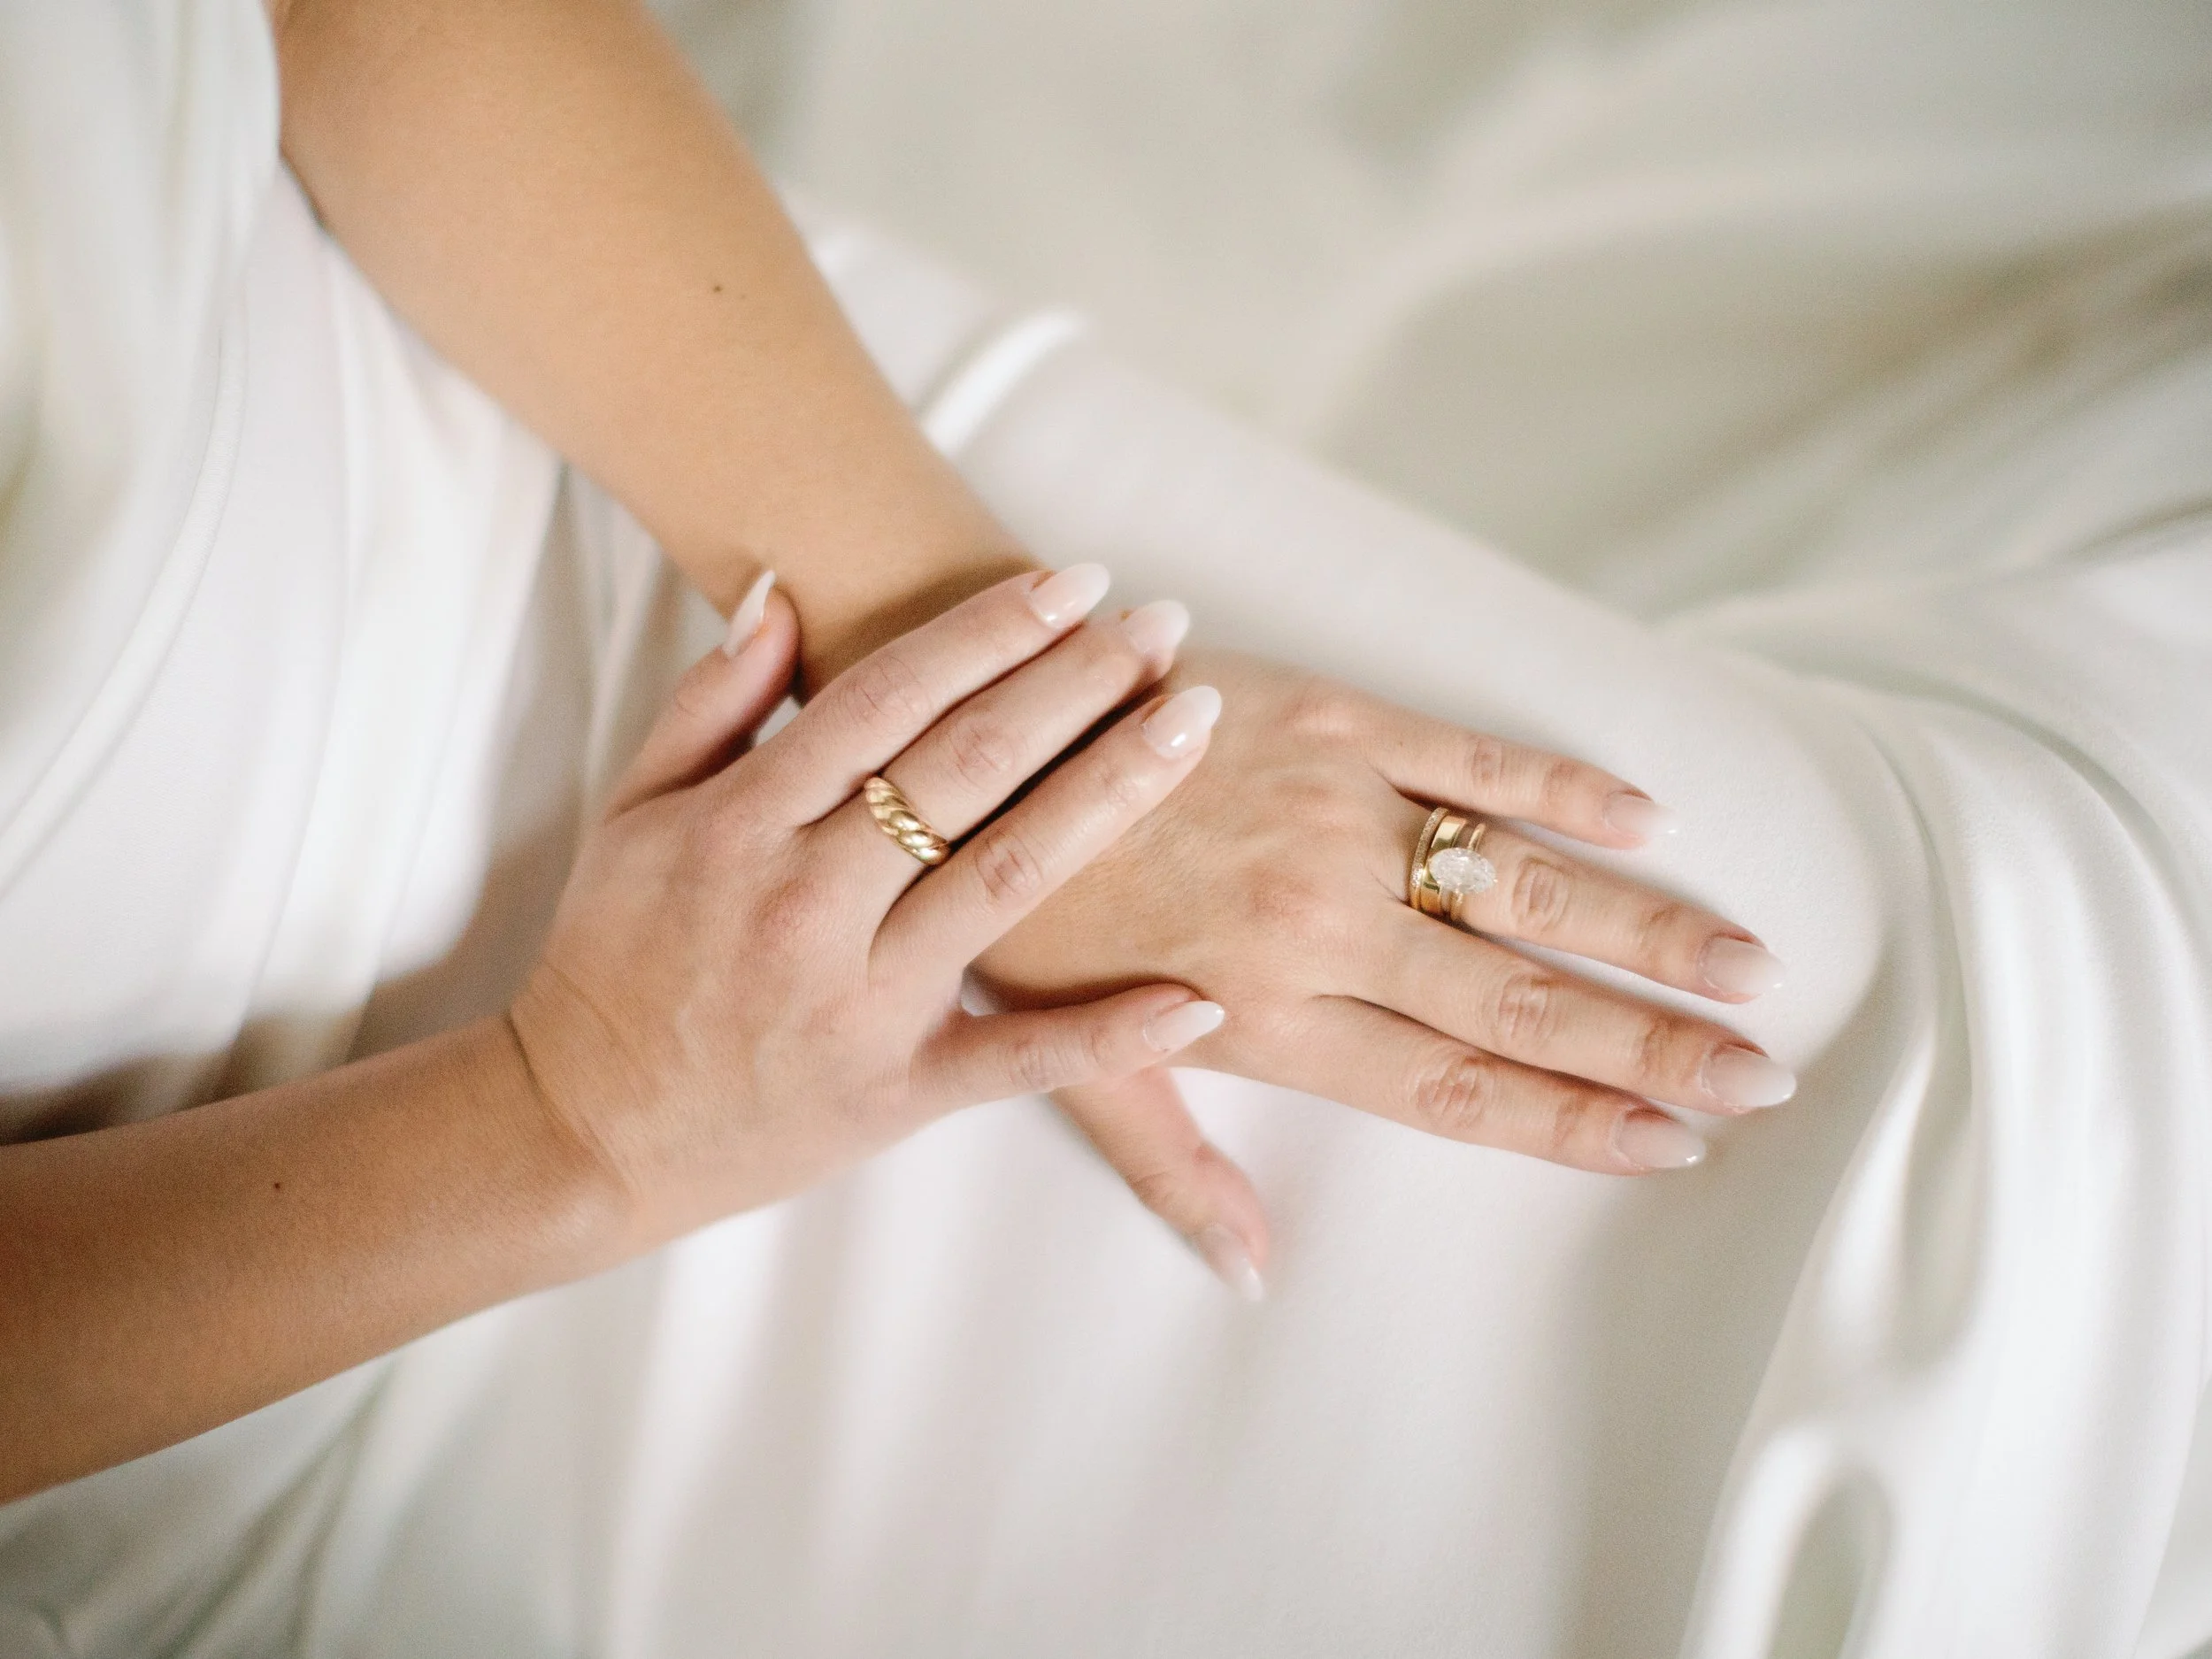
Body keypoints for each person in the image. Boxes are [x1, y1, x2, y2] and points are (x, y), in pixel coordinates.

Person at [3, 3, 2208, 1656]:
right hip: (322, 1289)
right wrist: (573, 1121)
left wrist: (994, 709)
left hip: (635, 458)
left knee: (1957, 1091)